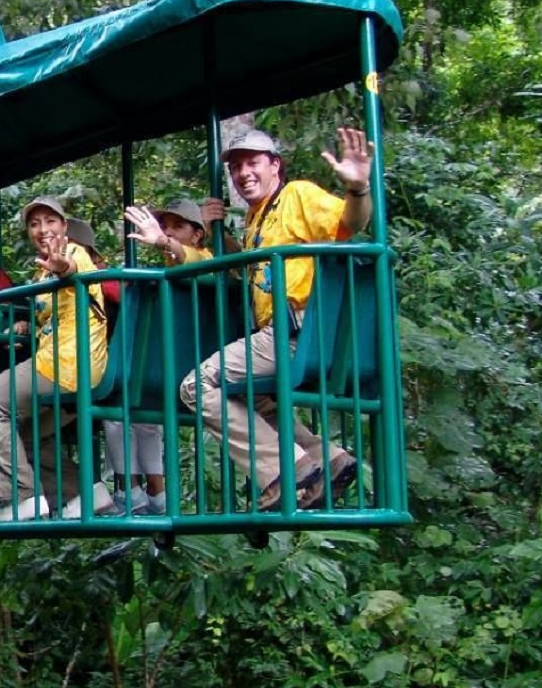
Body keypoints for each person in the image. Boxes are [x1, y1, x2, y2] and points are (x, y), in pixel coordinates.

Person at [181, 128, 365, 511]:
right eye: (236, 167)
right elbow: (244, 267)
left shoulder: (297, 194)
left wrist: (358, 188)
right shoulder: (258, 217)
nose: (243, 173)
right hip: (291, 334)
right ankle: (329, 460)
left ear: (275, 165)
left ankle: (284, 470)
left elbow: (353, 222)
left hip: (295, 331)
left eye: (252, 163)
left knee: (196, 385)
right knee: (253, 396)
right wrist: (215, 230)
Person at [0, 197, 113, 521]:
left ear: (64, 226)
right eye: (34, 224)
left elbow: (71, 269)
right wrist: (26, 325)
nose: (42, 229)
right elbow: (54, 312)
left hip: (66, 362)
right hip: (72, 365)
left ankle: (17, 498)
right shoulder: (42, 274)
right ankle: (83, 493)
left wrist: (63, 265)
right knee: (23, 435)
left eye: (50, 221)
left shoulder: (74, 252)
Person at [104, 197, 215, 515]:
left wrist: (164, 243)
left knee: (114, 407)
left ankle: (128, 488)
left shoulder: (200, 263)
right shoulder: (176, 273)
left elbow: (186, 258)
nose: (168, 232)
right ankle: (156, 490)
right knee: (143, 416)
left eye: (178, 227)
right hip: (178, 370)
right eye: (166, 226)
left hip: (175, 371)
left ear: (197, 235)